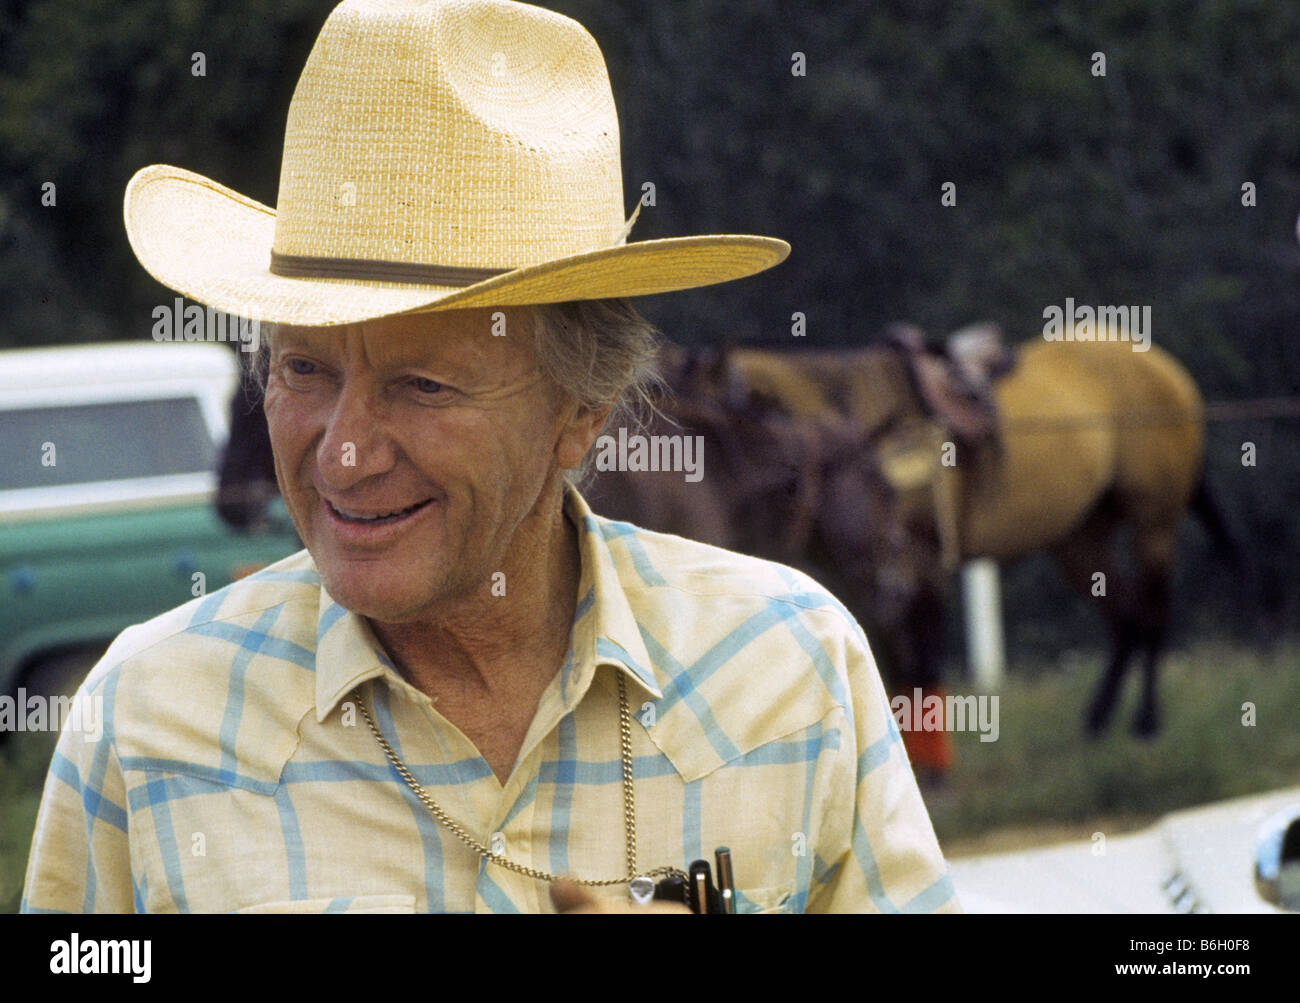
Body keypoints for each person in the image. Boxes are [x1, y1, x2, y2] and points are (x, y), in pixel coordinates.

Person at [22, 0, 958, 914]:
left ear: (580, 410)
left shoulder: (787, 667)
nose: (343, 456)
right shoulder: (146, 720)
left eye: (423, 385)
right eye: (303, 367)